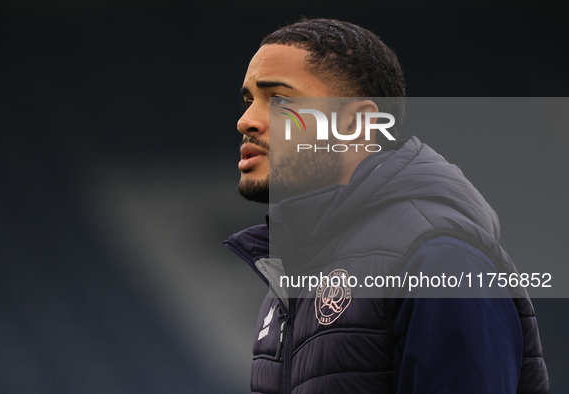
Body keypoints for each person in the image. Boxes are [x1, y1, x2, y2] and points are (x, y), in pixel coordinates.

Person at [224, 18, 548, 394]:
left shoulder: (438, 257)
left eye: (279, 99)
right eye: (249, 101)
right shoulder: (299, 269)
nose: (245, 121)